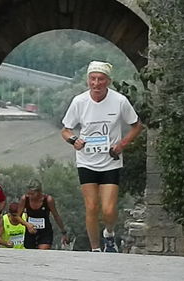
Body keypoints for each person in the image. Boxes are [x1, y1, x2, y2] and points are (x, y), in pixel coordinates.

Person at [61, 60, 143, 252]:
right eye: (93, 79)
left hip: (110, 162)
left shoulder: (120, 101)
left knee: (108, 209)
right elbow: (65, 130)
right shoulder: (79, 102)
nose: (96, 84)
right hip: (86, 161)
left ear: (108, 81)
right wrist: (74, 140)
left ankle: (109, 233)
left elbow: (137, 126)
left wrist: (121, 145)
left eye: (101, 79)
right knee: (91, 207)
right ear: (88, 80)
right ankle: (95, 248)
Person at [18, 179, 69, 250]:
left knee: (42, 254)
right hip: (30, 231)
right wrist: (27, 225)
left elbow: (56, 216)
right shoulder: (25, 199)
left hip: (45, 232)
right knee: (30, 255)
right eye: (28, 194)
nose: (30, 196)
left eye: (32, 194)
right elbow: (17, 216)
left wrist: (63, 232)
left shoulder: (48, 200)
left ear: (39, 192)